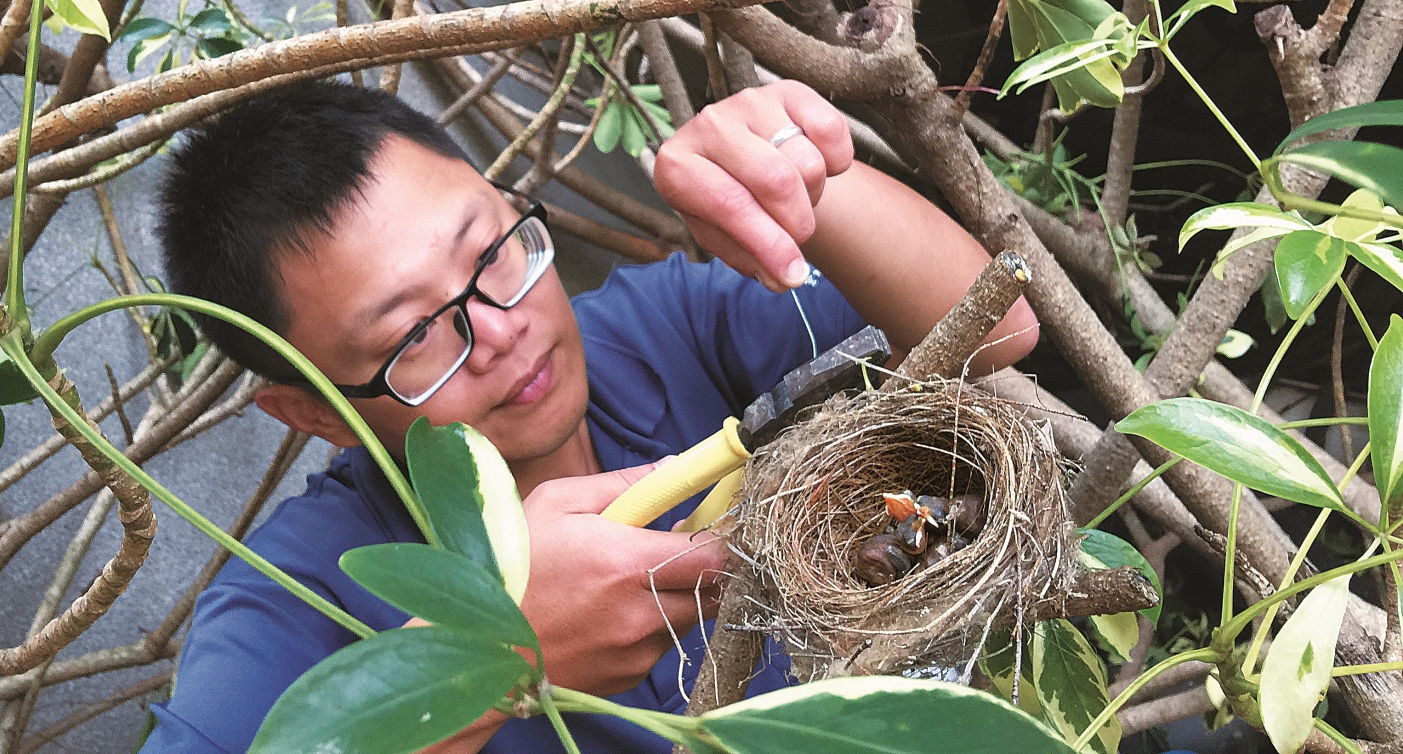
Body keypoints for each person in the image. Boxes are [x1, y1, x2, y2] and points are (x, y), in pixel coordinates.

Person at [141, 76, 1038, 753]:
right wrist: (477, 662)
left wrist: (791, 180)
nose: (501, 326)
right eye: (413, 332)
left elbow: (997, 327)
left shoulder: (658, 330)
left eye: (491, 249)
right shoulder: (300, 597)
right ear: (314, 412)